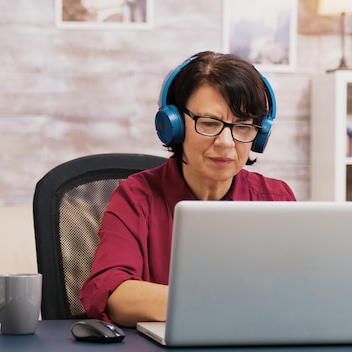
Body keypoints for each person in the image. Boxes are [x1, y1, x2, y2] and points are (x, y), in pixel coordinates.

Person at [79, 51, 296, 327]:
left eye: (242, 126)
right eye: (209, 123)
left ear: (260, 134)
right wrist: (221, 303)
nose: (226, 142)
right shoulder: (137, 198)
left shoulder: (276, 200)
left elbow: (299, 291)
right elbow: (112, 293)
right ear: (174, 125)